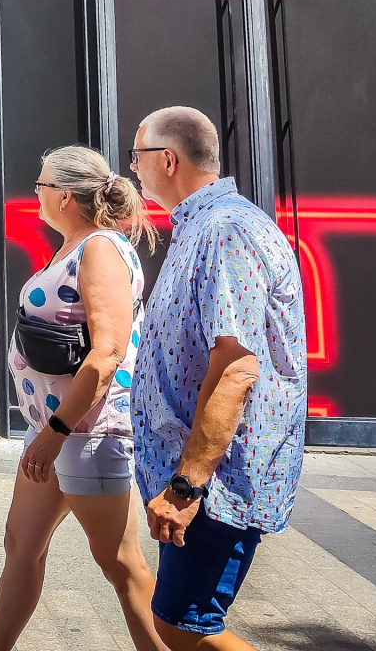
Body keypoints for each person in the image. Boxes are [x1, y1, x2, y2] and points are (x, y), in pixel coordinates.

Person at [129, 107, 306, 651]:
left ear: (168, 159)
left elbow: (235, 368)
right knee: (179, 620)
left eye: (137, 158)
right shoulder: (200, 226)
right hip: (196, 475)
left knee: (184, 625)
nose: (133, 171)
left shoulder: (226, 230)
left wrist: (188, 484)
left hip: (215, 482)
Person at [0, 146, 165, 651]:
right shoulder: (76, 245)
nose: (34, 193)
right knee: (22, 546)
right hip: (57, 435)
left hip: (84, 434)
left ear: (64, 195)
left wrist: (56, 434)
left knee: (123, 566)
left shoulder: (100, 249)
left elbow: (107, 351)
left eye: (40, 185)